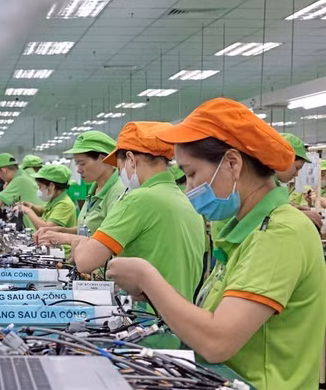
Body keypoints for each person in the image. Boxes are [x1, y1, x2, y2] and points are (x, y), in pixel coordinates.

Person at [108, 98, 326, 390]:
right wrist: (159, 299)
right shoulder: (243, 231)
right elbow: (214, 318)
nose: (189, 188)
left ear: (232, 163)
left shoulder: (280, 233)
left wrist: (147, 278)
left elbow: (216, 342)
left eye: (192, 173)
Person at [52, 122, 206, 304]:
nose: (120, 174)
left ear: (131, 159)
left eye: (119, 167)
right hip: (179, 317)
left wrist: (80, 241)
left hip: (145, 317)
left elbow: (85, 261)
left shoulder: (139, 199)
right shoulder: (185, 201)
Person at [35, 131, 124, 242]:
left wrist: (65, 238)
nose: (78, 170)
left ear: (103, 159)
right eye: (77, 164)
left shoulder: (119, 192)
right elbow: (89, 230)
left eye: (82, 163)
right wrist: (60, 231)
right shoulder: (94, 190)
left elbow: (110, 240)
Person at [275, 133, 322, 229]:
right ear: (283, 158)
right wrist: (299, 215)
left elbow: (275, 208)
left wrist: (296, 208)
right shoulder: (262, 183)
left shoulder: (275, 184)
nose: (296, 174)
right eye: (297, 168)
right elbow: (264, 215)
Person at [0, 153, 42, 229]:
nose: (0, 177)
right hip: (40, 223)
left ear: (4, 170)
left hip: (36, 228)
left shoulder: (19, 180)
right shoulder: (24, 174)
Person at [20, 165, 77, 229]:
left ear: (51, 186)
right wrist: (32, 207)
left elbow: (46, 228)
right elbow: (43, 211)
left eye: (40, 187)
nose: (39, 190)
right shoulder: (54, 199)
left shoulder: (64, 204)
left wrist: (28, 211)